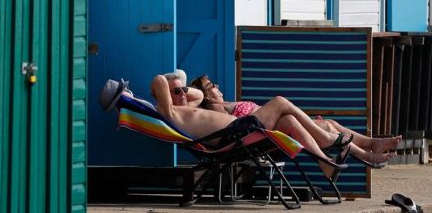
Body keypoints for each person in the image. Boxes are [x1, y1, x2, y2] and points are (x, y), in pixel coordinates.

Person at [143, 73, 346, 179]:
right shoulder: (170, 112)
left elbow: (200, 94)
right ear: (164, 97)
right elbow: (159, 80)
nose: (183, 94)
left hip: (241, 131)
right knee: (280, 101)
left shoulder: (187, 104)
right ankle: (325, 139)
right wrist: (170, 85)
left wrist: (181, 88)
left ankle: (324, 162)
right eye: (176, 92)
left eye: (182, 90)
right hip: (234, 136)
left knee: (288, 120)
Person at [188, 74, 399, 167]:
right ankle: (364, 153)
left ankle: (371, 144)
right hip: (254, 134)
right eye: (212, 85)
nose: (217, 86)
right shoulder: (215, 114)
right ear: (205, 94)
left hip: (269, 126)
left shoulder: (228, 103)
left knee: (329, 124)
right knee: (284, 106)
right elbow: (233, 129)